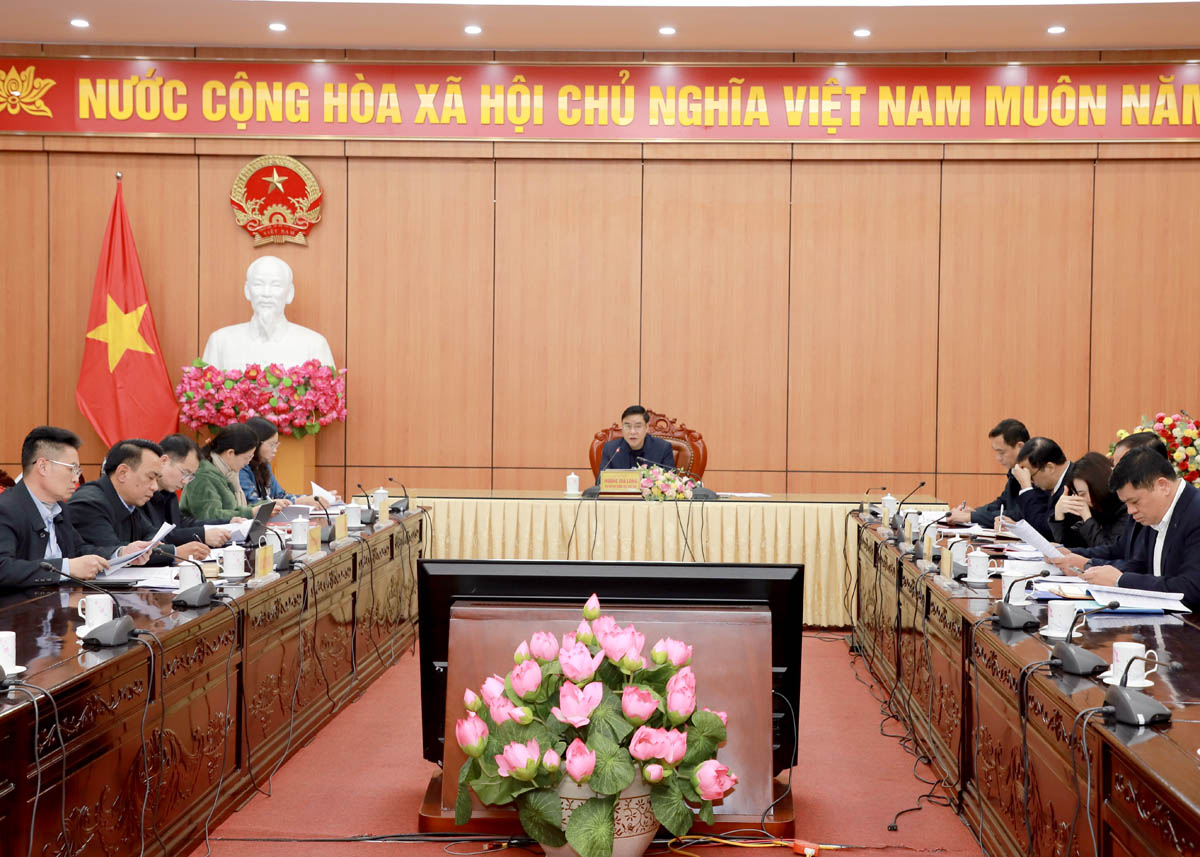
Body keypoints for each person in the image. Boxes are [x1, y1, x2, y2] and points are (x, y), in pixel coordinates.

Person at [0, 426, 147, 587]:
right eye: (72, 469)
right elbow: (3, 568)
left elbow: (80, 551)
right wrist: (67, 568)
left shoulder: (60, 509)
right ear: (43, 466)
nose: (76, 479)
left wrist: (121, 553)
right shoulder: (6, 508)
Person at [1060, 449, 1200, 609]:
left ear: (1163, 486)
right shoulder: (1156, 510)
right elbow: (1139, 565)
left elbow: (1192, 588)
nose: (1130, 511)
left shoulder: (1195, 512)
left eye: (1134, 501)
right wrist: (1091, 566)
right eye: (1126, 503)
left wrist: (1120, 581)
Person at [68, 439, 213, 564]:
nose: (155, 487)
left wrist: (155, 547)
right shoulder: (89, 504)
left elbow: (152, 535)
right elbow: (115, 553)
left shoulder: (130, 502)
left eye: (157, 479)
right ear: (123, 473)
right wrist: (175, 552)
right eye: (150, 477)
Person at [201, 255, 336, 370]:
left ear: (289, 293)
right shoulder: (220, 342)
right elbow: (205, 398)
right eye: (258, 284)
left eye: (276, 285)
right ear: (247, 291)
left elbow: (329, 398)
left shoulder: (314, 345)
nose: (266, 293)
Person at [182, 424, 287, 521]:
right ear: (230, 453)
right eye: (247, 457)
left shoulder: (227, 473)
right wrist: (251, 512)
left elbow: (234, 510)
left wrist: (267, 505)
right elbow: (209, 516)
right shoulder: (203, 475)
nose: (248, 463)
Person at [144, 434, 232, 549]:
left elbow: (181, 523)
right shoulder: (141, 494)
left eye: (190, 476)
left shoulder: (169, 492)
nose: (185, 481)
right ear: (164, 461)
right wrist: (202, 535)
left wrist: (227, 522)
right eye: (185, 473)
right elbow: (156, 537)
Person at [947, 419, 1030, 527]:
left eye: (1001, 452)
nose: (998, 458)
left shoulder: (1037, 473)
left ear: (1020, 447)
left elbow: (1019, 515)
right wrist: (974, 513)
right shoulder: (1016, 470)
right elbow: (1002, 503)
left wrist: (971, 517)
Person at [239, 416, 326, 506]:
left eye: (276, 445)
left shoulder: (264, 465)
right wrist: (301, 501)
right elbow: (253, 503)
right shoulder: (241, 467)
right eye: (272, 445)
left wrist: (316, 498)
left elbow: (280, 496)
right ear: (256, 444)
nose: (275, 450)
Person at [1049, 451, 1129, 549]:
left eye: (1083, 494)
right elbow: (1070, 547)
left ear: (1099, 486)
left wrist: (1087, 518)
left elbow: (1108, 550)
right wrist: (1059, 516)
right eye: (1078, 494)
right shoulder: (1095, 510)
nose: (1081, 499)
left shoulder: (1126, 509)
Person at [1011, 437, 1070, 539]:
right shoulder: (1056, 483)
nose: (1032, 482)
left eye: (1031, 476)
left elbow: (1042, 531)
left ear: (1050, 467)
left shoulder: (1073, 486)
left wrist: (1026, 486)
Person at [596, 405, 676, 478]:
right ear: (622, 428)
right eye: (628, 426)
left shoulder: (662, 448)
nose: (632, 432)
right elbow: (600, 482)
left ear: (647, 427)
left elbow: (670, 481)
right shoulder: (611, 449)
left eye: (638, 426)